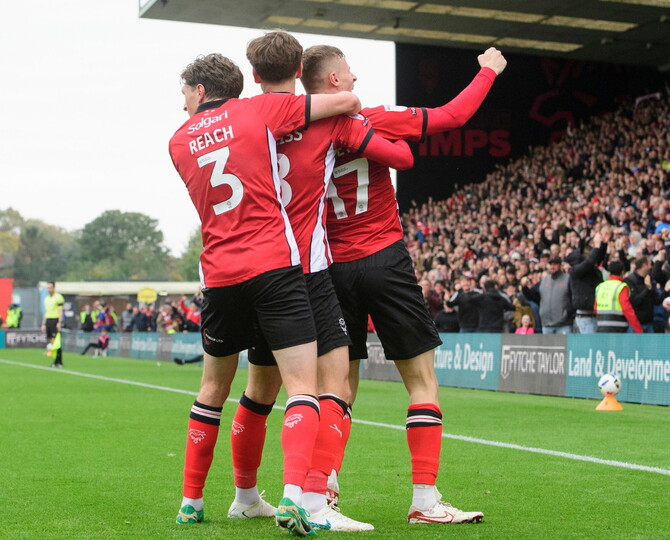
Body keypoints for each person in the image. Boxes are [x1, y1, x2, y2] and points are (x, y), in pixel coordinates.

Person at [306, 44, 504, 524]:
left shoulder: (293, 129)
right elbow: (453, 115)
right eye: (348, 71)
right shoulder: (371, 118)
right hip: (383, 259)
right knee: (421, 382)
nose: (355, 77)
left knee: (337, 387)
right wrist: (487, 72)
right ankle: (424, 500)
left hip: (329, 266)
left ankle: (323, 492)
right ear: (333, 80)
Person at [167, 50, 362, 536]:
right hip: (274, 266)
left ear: (201, 91)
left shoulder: (176, 141)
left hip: (218, 275)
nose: (181, 104)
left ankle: (194, 502)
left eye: (184, 94)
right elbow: (343, 101)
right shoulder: (257, 110)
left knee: (213, 389)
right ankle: (296, 497)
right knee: (302, 387)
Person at [234, 31, 416, 532]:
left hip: (251, 269)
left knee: (253, 391)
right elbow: (398, 148)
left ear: (253, 77)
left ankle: (243, 495)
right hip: (307, 270)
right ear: (299, 74)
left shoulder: (246, 121)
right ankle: (310, 497)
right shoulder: (329, 120)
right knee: (324, 386)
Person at [524, 257, 574, 334]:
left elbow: (573, 298)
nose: (552, 267)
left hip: (564, 324)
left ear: (560, 265)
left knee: (564, 346)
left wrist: (568, 314)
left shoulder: (568, 279)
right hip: (546, 324)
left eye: (555, 264)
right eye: (550, 264)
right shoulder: (544, 281)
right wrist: (525, 289)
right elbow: (534, 297)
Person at [594, 260, 642, 333]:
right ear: (622, 273)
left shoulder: (600, 286)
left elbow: (595, 308)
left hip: (601, 327)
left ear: (609, 273)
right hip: (617, 330)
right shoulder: (621, 287)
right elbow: (627, 309)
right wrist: (638, 329)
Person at [623, 256, 656, 334]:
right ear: (644, 265)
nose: (651, 267)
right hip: (635, 323)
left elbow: (655, 299)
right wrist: (647, 289)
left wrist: (665, 291)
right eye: (650, 264)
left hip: (649, 321)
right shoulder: (629, 280)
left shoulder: (650, 279)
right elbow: (634, 301)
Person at [43, 282, 64, 367]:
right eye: (47, 288)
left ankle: (58, 361)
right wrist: (43, 323)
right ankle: (56, 361)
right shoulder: (47, 299)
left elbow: (60, 310)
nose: (49, 289)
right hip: (48, 320)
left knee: (56, 342)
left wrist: (59, 322)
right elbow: (46, 312)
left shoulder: (59, 297)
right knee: (52, 341)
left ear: (54, 287)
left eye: (50, 287)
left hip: (55, 320)